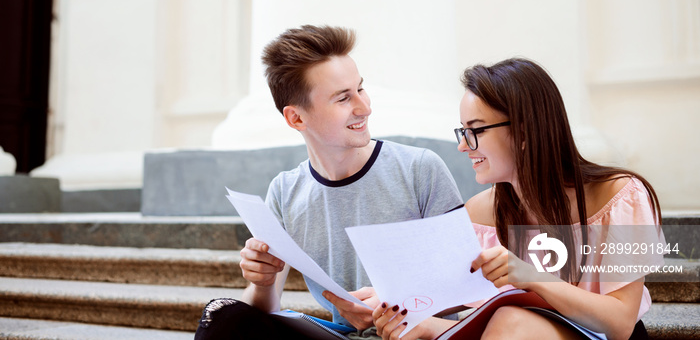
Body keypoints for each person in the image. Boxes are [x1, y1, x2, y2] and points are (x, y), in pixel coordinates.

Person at [195, 25, 463, 339]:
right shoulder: (284, 192)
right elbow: (263, 307)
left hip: (411, 335)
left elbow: (466, 283)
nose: (364, 107)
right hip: (341, 336)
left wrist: (398, 303)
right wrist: (262, 284)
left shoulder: (419, 169)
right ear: (296, 118)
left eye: (360, 89)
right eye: (343, 98)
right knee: (224, 316)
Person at [373, 57, 662, 340]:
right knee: (501, 321)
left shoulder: (620, 196)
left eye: (475, 130)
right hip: (519, 331)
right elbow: (449, 294)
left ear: (523, 130)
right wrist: (388, 303)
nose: (463, 145)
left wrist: (531, 276)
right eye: (463, 131)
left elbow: (620, 323)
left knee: (511, 321)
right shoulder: (479, 213)